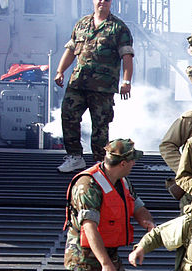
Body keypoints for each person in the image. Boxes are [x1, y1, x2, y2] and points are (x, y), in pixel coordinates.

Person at [64, 139, 154, 271]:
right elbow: (89, 228)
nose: (134, 164)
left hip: (108, 250)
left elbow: (138, 207)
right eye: (132, 161)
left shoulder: (122, 181)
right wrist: (105, 264)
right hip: (85, 255)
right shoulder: (88, 185)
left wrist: (148, 223)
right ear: (123, 163)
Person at [54, 0, 134, 173]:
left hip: (102, 88)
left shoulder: (118, 28)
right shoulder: (82, 24)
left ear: (110, 2)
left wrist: (126, 82)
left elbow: (127, 56)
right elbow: (70, 49)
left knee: (100, 126)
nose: (102, 2)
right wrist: (60, 71)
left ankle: (99, 163)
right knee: (68, 116)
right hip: (78, 83)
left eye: (106, 0)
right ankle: (75, 156)